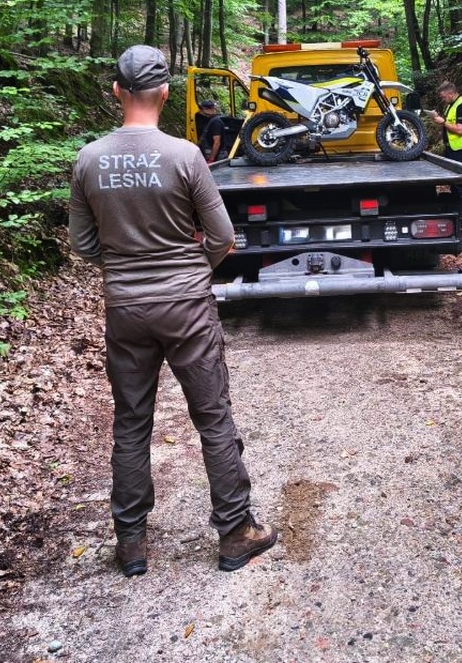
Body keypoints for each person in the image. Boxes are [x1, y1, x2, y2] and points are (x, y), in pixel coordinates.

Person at [68, 45, 278, 575]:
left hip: (125, 307)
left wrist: (122, 263)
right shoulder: (185, 156)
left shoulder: (89, 159)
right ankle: (235, 533)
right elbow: (224, 235)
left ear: (117, 91)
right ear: (165, 94)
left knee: (131, 423)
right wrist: (192, 267)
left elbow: (82, 243)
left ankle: (132, 543)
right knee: (212, 418)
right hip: (186, 304)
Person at [430, 80, 462, 216]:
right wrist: (438, 119)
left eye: (443, 97)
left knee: (461, 182)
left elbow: (460, 130)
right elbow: (449, 124)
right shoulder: (451, 105)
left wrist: (443, 122)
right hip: (451, 148)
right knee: (453, 181)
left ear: (451, 94)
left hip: (460, 149)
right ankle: (456, 210)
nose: (443, 100)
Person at [194, 98, 225, 162]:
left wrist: (211, 159)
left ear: (205, 109)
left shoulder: (216, 122)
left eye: (201, 110)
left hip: (218, 156)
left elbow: (217, 142)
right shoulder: (209, 120)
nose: (199, 112)